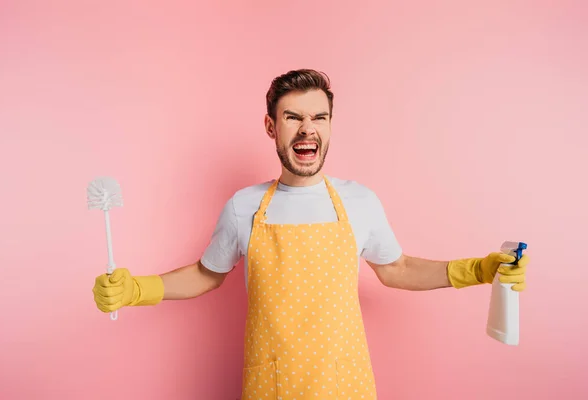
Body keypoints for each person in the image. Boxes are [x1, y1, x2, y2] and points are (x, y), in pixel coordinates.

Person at [92, 69, 528, 399]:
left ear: (330, 126)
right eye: (293, 117)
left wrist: (477, 269)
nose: (307, 128)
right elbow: (208, 274)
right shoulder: (244, 205)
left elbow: (397, 268)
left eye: (319, 117)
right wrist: (137, 289)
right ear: (271, 127)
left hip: (345, 383)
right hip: (272, 383)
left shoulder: (360, 202)